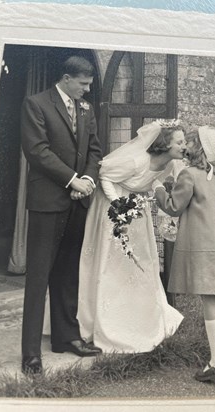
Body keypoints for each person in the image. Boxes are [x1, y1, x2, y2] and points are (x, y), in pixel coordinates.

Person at [153, 126, 215, 382]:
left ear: (196, 147)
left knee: (209, 300)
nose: (185, 145)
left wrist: (158, 188)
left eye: (189, 141)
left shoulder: (189, 174)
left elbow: (174, 206)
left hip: (202, 246)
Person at [21, 56, 103, 374]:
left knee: (68, 272)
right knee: (38, 277)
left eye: (89, 84)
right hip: (47, 201)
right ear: (67, 78)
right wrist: (72, 180)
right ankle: (30, 353)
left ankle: (66, 337)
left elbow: (94, 149)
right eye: (82, 84)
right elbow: (37, 150)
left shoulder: (87, 109)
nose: (87, 90)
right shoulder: (36, 104)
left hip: (77, 201)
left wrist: (88, 181)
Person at [77, 120, 185, 353]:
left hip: (137, 209)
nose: (184, 146)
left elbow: (152, 181)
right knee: (112, 263)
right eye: (179, 142)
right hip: (112, 207)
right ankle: (103, 320)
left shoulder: (168, 164)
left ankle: (140, 317)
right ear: (166, 145)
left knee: (140, 263)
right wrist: (118, 205)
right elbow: (104, 175)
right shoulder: (136, 160)